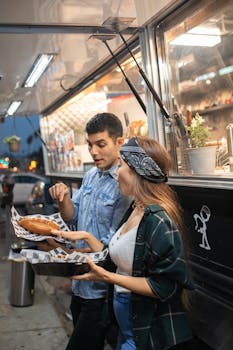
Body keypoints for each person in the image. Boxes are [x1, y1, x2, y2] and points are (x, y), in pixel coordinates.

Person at [52, 136, 195, 350]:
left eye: (122, 166)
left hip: (148, 332)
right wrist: (87, 237)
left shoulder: (158, 220)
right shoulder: (136, 208)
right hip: (128, 328)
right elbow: (116, 259)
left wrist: (106, 277)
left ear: (139, 173)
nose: (117, 172)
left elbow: (164, 286)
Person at [49, 113, 131, 350]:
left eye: (101, 144)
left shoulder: (124, 183)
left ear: (119, 142)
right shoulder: (90, 176)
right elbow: (72, 216)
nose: (94, 152)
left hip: (102, 290)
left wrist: (86, 244)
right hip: (79, 286)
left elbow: (116, 248)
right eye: (90, 145)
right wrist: (63, 198)